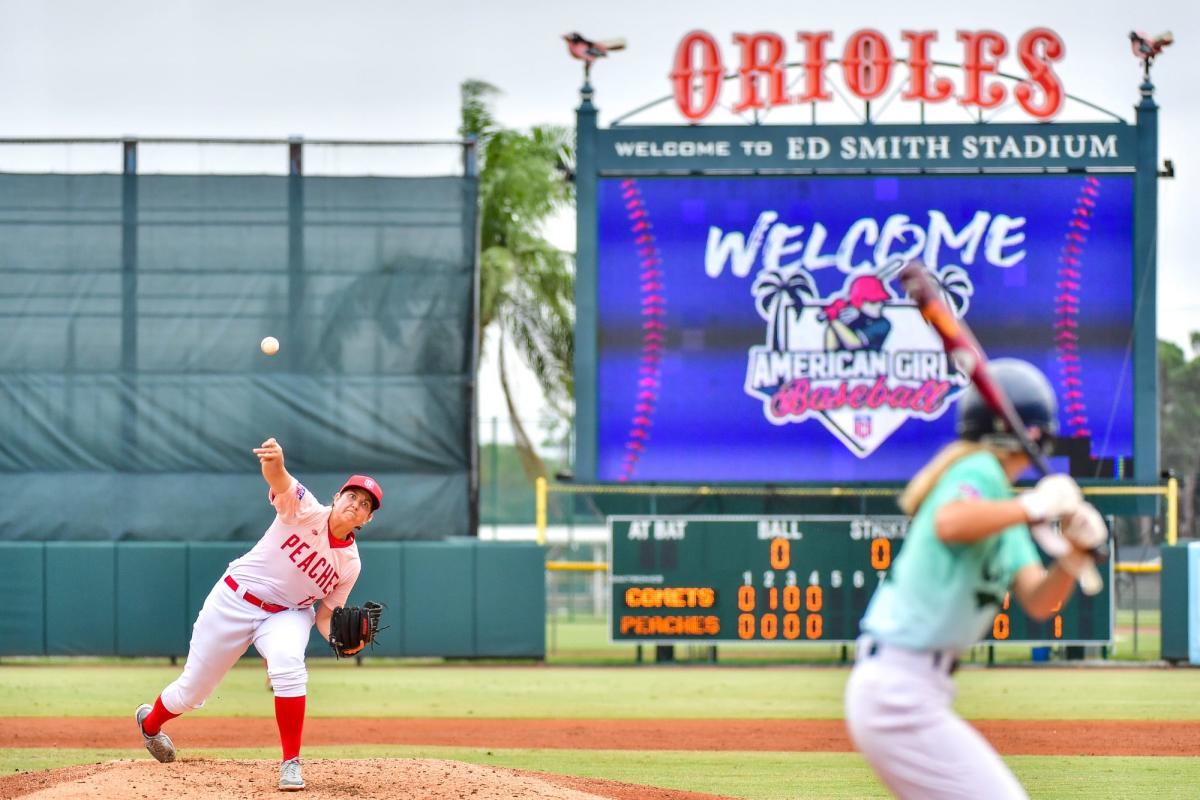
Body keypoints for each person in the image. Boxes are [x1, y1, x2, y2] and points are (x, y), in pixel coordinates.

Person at [844, 359, 1107, 800]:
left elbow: (1040, 602)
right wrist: (1033, 507)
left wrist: (1073, 556)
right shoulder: (979, 471)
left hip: (914, 690)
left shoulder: (1002, 508)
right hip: (898, 687)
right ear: (1032, 432)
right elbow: (950, 522)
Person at [135, 437, 382, 791]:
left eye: (365, 505)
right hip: (235, 599)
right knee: (191, 692)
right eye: (352, 496)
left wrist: (340, 642)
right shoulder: (305, 509)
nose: (356, 505)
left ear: (367, 519)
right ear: (337, 497)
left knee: (288, 666)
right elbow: (279, 479)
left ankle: (291, 764)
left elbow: (327, 615)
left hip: (289, 614)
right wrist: (275, 461)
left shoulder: (350, 563)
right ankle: (151, 723)